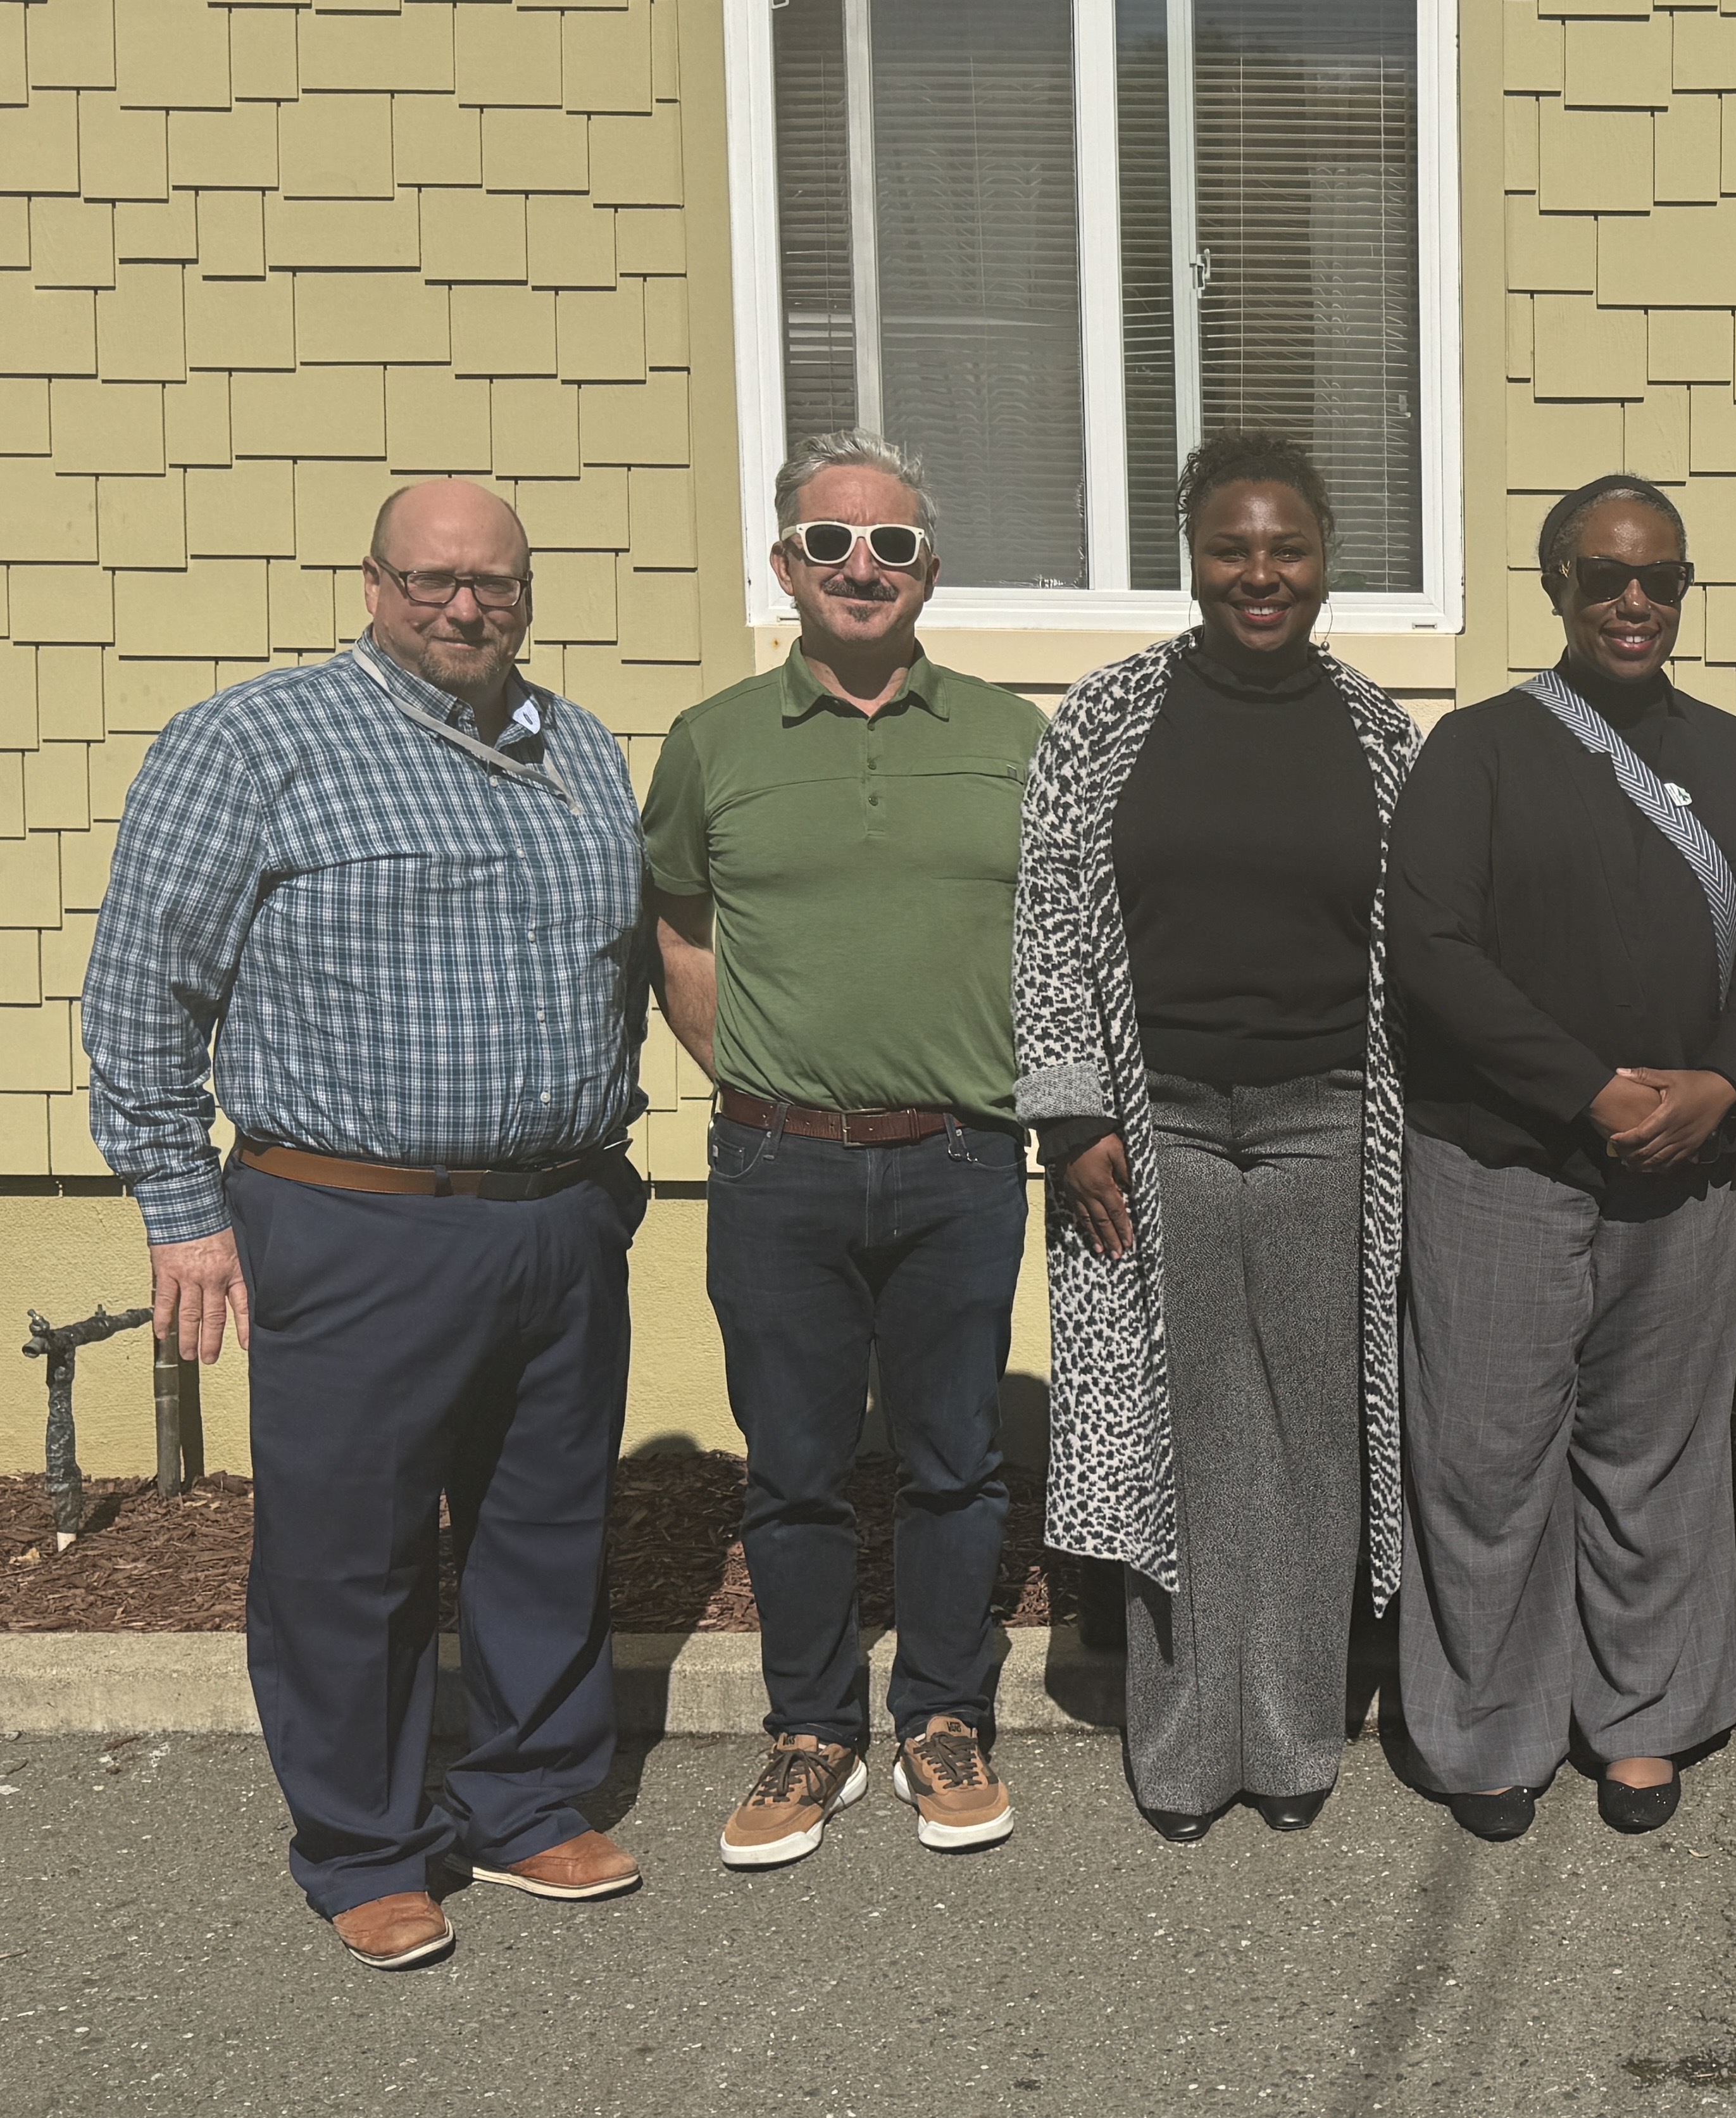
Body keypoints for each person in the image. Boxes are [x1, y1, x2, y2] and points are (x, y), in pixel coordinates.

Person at [82, 481, 650, 1970]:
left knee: (544, 1526)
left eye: (496, 583)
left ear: (529, 590)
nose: (466, 607)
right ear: (374, 580)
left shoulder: (577, 747)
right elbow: (146, 988)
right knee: (350, 1551)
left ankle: (526, 1796)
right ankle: (366, 1843)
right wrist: (180, 1207)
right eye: (432, 580)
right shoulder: (252, 743)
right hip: (354, 1217)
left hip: (559, 1213)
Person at [645, 433, 1047, 1869]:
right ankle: (811, 1728)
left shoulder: (1013, 739)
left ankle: (941, 1715)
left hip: (959, 1157)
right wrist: (755, 1076)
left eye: (888, 545)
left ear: (929, 567)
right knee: (796, 1464)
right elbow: (678, 928)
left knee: (953, 1460)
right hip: (777, 1166)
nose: (858, 568)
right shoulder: (715, 742)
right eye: (828, 543)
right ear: (783, 567)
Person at [1013, 432, 1420, 1843]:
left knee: (1312, 1434)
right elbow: (1053, 918)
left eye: (1287, 548)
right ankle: (1184, 1752)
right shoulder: (1108, 716)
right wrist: (1070, 1112)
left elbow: (1408, 951)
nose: (1261, 573)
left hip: (1328, 1120)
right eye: (1233, 547)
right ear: (1193, 555)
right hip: (1153, 1123)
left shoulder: (1377, 731)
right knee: (1180, 1440)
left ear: (1325, 560)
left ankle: (1295, 1735)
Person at [1389, 475, 1736, 1841]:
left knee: (1653, 1457)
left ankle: (1644, 1716)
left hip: (1685, 1168)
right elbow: (1429, 950)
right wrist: (1589, 1089)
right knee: (1485, 1455)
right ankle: (1487, 1726)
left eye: (1660, 578)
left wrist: (1721, 1080)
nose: (1632, 601)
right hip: (1499, 1159)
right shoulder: (1477, 750)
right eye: (1604, 574)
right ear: (1553, 581)